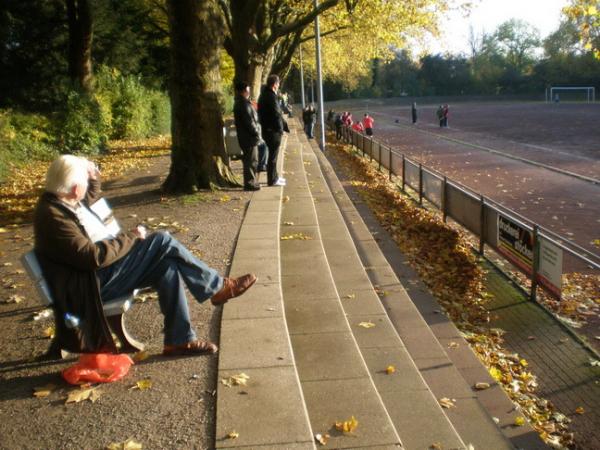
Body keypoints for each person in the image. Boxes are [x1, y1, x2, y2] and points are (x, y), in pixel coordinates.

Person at [33, 155, 257, 355]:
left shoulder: (62, 199)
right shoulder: (53, 216)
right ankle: (217, 287)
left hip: (95, 277)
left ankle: (179, 340)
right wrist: (131, 237)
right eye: (82, 183)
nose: (84, 190)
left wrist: (91, 175)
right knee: (161, 240)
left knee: (166, 265)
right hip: (90, 286)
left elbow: (89, 197)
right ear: (74, 189)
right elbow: (93, 257)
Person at [258, 74, 289, 187]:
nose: (279, 85)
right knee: (273, 156)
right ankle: (272, 180)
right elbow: (276, 114)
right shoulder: (270, 96)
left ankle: (275, 177)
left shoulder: (264, 95)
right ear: (275, 84)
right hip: (272, 130)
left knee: (273, 156)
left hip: (268, 129)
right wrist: (280, 129)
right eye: (278, 83)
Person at [233, 81, 261, 191]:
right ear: (244, 91)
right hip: (249, 137)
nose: (249, 92)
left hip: (246, 137)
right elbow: (249, 122)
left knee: (251, 160)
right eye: (248, 90)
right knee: (251, 160)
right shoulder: (243, 104)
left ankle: (251, 181)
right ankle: (250, 183)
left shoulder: (241, 103)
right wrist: (256, 132)